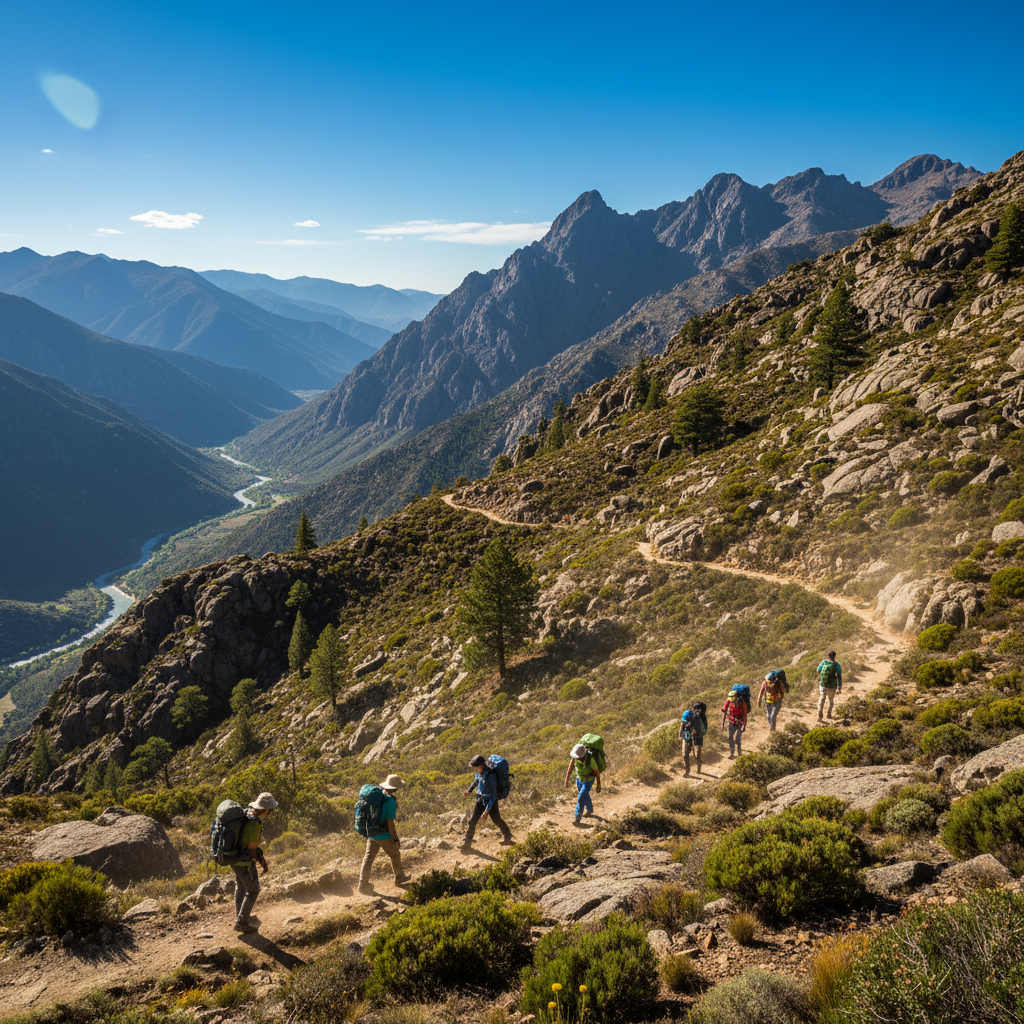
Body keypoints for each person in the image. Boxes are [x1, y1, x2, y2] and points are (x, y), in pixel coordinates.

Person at [232, 791, 277, 934]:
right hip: (244, 862)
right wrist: (261, 862)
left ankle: (241, 915)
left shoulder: (245, 814)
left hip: (233, 858)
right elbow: (251, 850)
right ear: (265, 810)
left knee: (241, 887)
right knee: (253, 890)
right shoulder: (254, 823)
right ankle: (242, 922)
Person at [358, 774, 410, 894]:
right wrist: (396, 839)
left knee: (368, 858)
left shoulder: (378, 796)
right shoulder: (390, 801)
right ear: (396, 789)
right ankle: (399, 878)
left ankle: (362, 884)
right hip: (384, 835)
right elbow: (390, 823)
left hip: (372, 833)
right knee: (395, 854)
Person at [460, 755, 514, 850]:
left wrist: (486, 812)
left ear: (480, 766)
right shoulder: (478, 772)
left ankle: (508, 836)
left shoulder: (491, 775)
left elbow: (494, 795)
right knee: (473, 820)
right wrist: (469, 790)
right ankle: (467, 843)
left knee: (496, 819)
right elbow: (476, 780)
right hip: (480, 799)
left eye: (475, 768)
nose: (475, 770)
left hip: (491, 801)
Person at [564, 742, 601, 825]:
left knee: (581, 798)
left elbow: (597, 773)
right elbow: (569, 770)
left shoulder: (590, 760)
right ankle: (590, 809)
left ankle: (577, 818)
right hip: (579, 780)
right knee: (585, 795)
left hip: (588, 781)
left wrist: (598, 785)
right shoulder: (574, 758)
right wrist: (566, 781)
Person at [678, 705, 706, 776]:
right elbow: (681, 728)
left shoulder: (697, 721)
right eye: (684, 721)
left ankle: (699, 766)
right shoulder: (684, 720)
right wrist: (680, 736)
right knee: (684, 754)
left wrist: (696, 732)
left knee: (697, 755)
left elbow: (703, 731)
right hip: (687, 737)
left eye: (687, 722)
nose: (685, 723)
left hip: (697, 739)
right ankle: (687, 771)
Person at [816, 650, 842, 720]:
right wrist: (839, 687)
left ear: (828, 656)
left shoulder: (824, 662)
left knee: (822, 700)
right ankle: (829, 715)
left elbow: (818, 670)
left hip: (823, 685)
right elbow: (839, 676)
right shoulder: (837, 665)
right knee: (831, 701)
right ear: (835, 656)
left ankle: (820, 715)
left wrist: (821, 677)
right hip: (832, 686)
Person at [721, 690, 747, 759]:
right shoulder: (728, 700)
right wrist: (722, 724)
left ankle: (739, 753)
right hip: (731, 721)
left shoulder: (742, 702)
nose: (732, 701)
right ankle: (732, 753)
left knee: (737, 739)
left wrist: (744, 726)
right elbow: (724, 711)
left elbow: (745, 714)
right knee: (730, 737)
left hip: (740, 722)